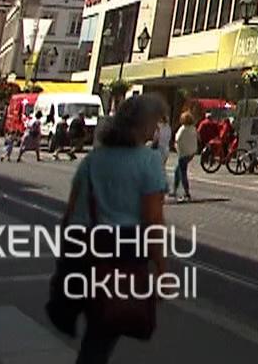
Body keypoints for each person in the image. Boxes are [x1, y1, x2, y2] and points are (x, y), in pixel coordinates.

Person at [49, 94, 168, 364]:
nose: (156, 130)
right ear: (143, 125)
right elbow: (152, 220)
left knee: (95, 322)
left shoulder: (94, 158)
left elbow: (70, 210)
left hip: (80, 247)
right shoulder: (148, 161)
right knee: (104, 328)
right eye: (154, 123)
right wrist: (161, 268)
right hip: (119, 252)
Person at [171, 112, 198, 202]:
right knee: (177, 170)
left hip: (183, 153)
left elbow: (177, 139)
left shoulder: (183, 129)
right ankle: (174, 190)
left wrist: (175, 146)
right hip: (191, 153)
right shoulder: (193, 129)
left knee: (182, 173)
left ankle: (186, 193)